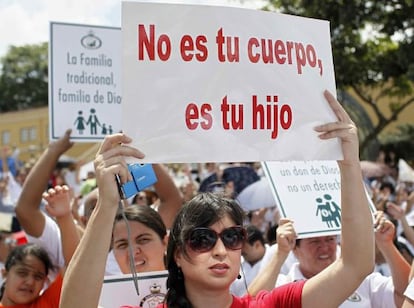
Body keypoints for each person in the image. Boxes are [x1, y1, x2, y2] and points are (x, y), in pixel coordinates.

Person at [60, 90, 374, 307]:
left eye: (233, 236)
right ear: (178, 255)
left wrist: (348, 165)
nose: (220, 250)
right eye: (202, 239)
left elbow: (356, 265)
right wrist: (106, 205)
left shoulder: (271, 304)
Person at [249, 212, 410, 307]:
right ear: (295, 249)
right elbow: (251, 304)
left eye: (330, 239)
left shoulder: (362, 280)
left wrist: (386, 244)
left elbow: (406, 295)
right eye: (314, 242)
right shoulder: (282, 286)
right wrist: (280, 253)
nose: (325, 247)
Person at [0, 184, 79, 307]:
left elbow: (74, 267)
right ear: (5, 273)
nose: (30, 282)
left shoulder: (45, 305)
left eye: (38, 277)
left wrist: (64, 216)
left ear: (45, 282)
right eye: (22, 273)